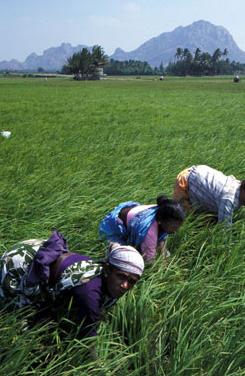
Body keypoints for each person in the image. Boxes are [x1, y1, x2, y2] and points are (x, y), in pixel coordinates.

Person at [0, 230, 144, 338]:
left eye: (131, 281)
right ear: (107, 269)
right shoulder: (89, 293)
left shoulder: (106, 277)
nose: (125, 285)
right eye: (121, 277)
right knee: (14, 315)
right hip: (22, 260)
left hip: (40, 251)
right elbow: (88, 340)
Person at [99, 195, 185, 263]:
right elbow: (149, 260)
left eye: (178, 226)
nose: (176, 230)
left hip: (125, 219)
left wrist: (164, 257)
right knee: (122, 258)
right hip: (111, 229)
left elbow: (162, 238)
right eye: (173, 227)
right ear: (160, 221)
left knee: (165, 253)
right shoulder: (149, 231)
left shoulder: (162, 209)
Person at [173, 165, 245, 225]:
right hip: (184, 183)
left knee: (210, 220)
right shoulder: (229, 199)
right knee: (180, 219)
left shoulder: (236, 185)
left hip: (196, 173)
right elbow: (225, 230)